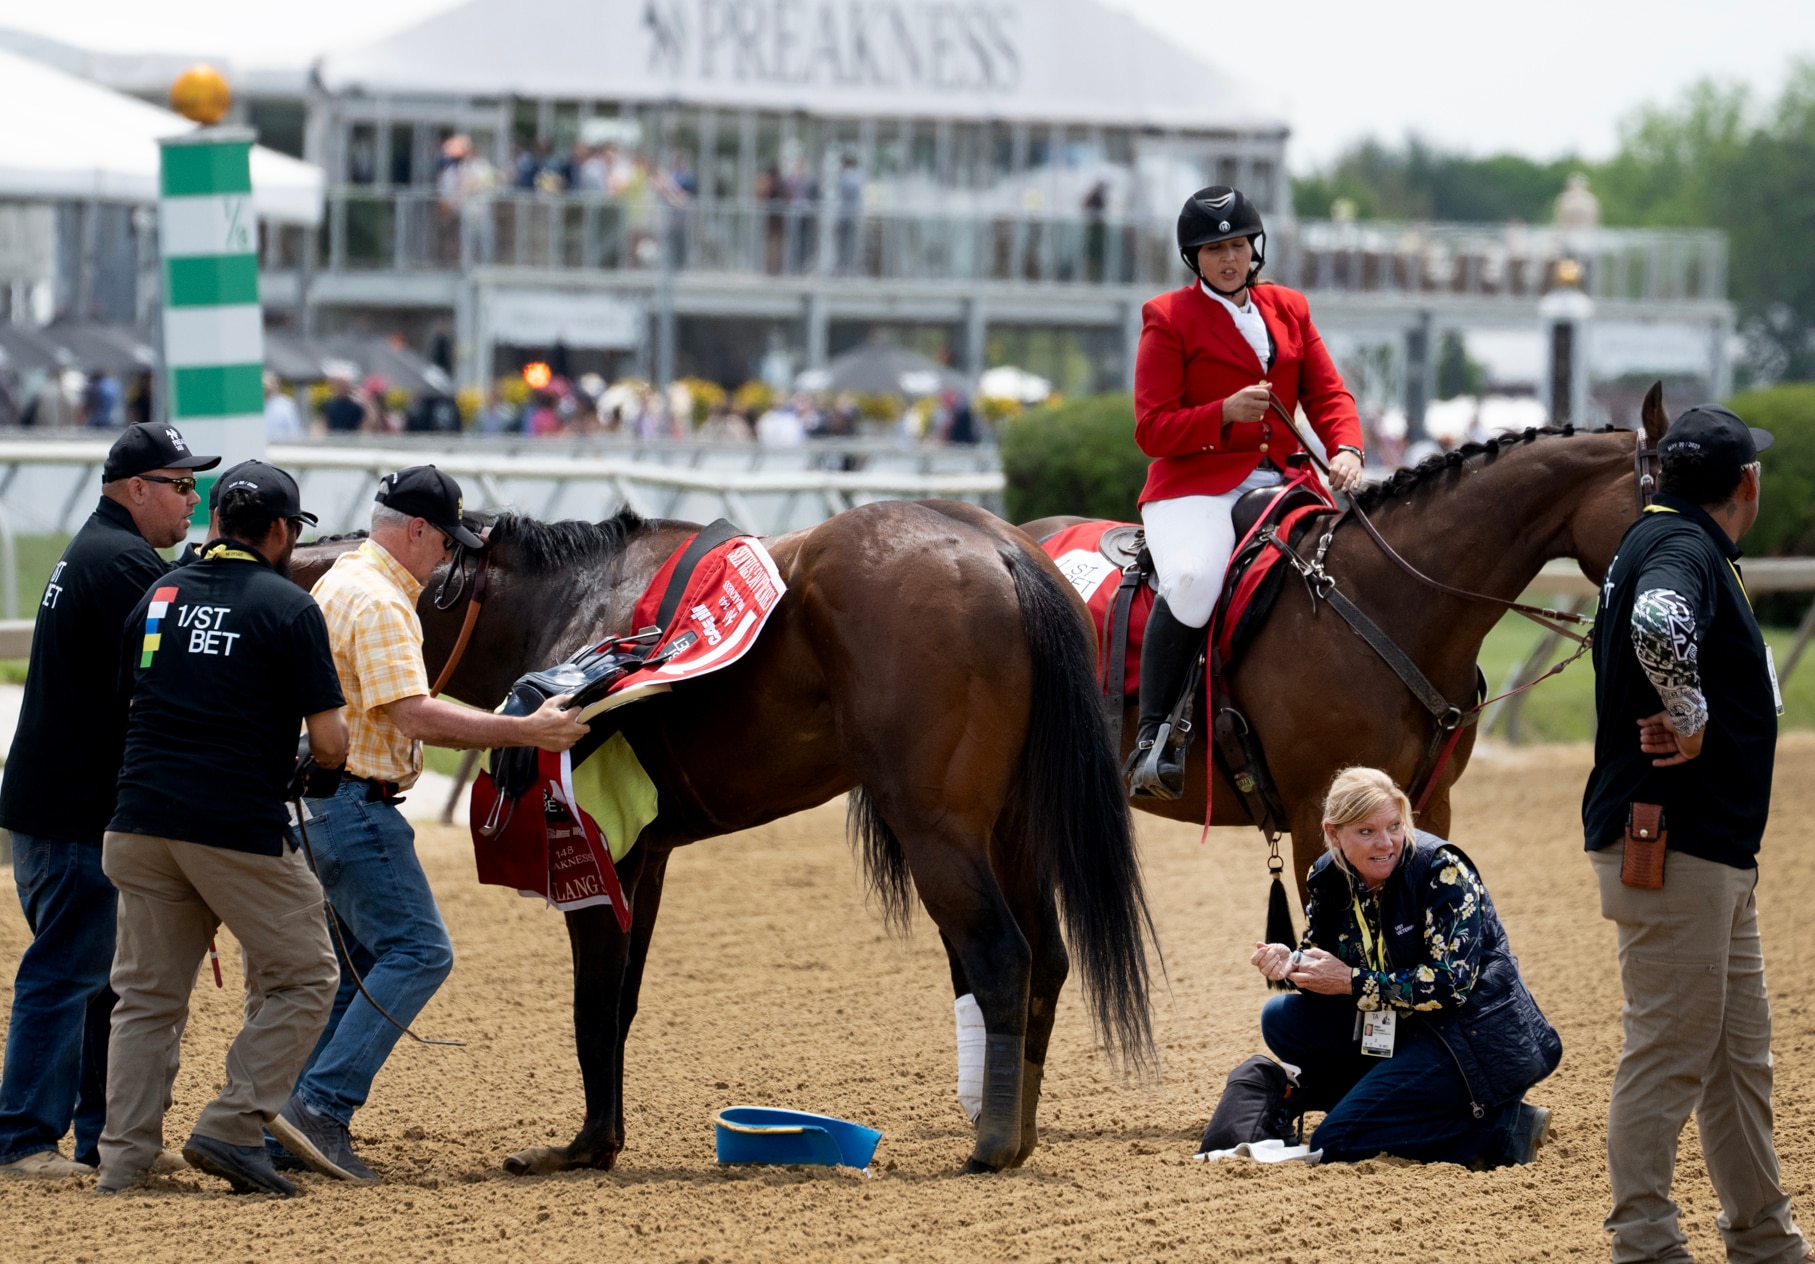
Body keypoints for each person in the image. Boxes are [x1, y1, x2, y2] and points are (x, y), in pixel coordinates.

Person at [272, 466, 588, 1183]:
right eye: (445, 542)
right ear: (415, 530)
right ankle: (319, 1107)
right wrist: (524, 730)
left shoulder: (340, 582)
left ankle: (284, 1115)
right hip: (354, 803)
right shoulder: (381, 600)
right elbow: (411, 713)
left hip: (320, 803)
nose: (447, 558)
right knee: (419, 952)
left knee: (357, 972)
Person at [1581, 405, 1811, 1263]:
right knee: (1672, 1052)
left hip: (1707, 846)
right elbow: (1655, 625)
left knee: (1735, 1059)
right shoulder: (1681, 548)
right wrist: (1692, 716)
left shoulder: (1662, 534)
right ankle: (1642, 1244)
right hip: (1672, 844)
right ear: (1744, 485)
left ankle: (1762, 1240)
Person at [96, 464, 348, 1196]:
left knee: (145, 999)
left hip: (138, 819)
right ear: (278, 532)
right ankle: (234, 1125)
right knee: (307, 972)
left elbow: (127, 700)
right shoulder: (288, 608)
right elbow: (329, 742)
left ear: (214, 521)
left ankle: (125, 1159)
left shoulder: (158, 594)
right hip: (232, 823)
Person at [0, 423, 218, 1180]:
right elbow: (172, 680)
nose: (194, 499)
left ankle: (99, 1136)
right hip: (73, 814)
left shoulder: (101, 551)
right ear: (137, 489)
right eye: (182, 485)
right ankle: (25, 1136)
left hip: (55, 805)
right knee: (68, 974)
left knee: (96, 980)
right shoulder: (125, 564)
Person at [1126, 186, 1366, 798]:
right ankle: (1153, 740)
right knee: (1193, 580)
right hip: (1195, 486)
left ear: (1254, 248)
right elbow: (1152, 428)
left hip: (1285, 479)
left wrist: (1345, 448)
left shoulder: (1289, 308)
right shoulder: (1167, 317)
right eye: (1214, 249)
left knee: (1352, 567)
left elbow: (1329, 394)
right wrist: (1223, 413)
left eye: (1236, 245)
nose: (1228, 259)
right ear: (1194, 258)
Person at [1252, 767, 1560, 1167]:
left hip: (1468, 1036)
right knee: (1280, 1017)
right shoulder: (1328, 877)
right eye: (1366, 832)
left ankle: (1501, 1128)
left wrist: (1352, 982)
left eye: (1395, 826)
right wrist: (1291, 963)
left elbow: (1451, 985)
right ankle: (1388, 1104)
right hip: (1404, 1028)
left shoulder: (1442, 871)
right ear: (1333, 834)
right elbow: (1325, 967)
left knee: (1336, 1140)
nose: (1386, 843)